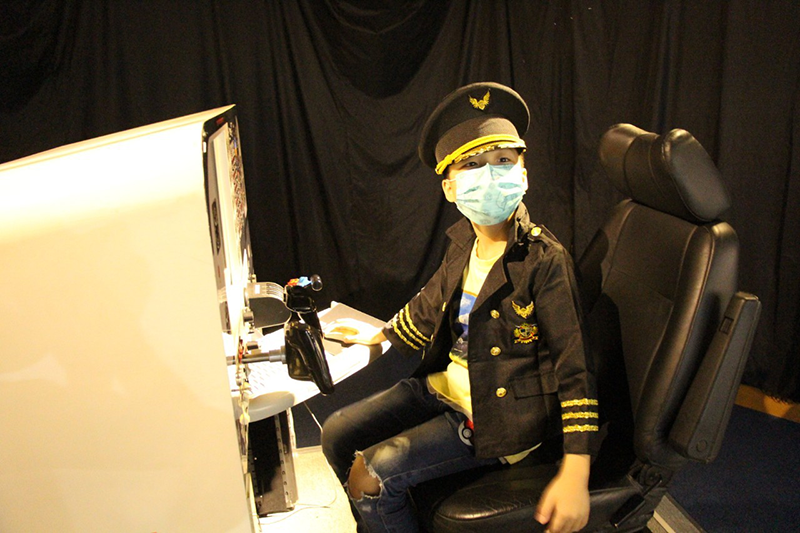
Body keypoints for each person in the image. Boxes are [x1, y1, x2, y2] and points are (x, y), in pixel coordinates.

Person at [321, 82, 599, 533]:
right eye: (472, 164)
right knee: (337, 434)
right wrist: (381, 334)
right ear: (450, 187)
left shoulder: (544, 261)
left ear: (523, 174)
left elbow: (575, 368)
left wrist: (576, 470)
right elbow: (431, 303)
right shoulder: (463, 242)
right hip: (447, 388)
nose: (491, 175)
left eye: (504, 160)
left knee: (371, 475)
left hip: (497, 414)